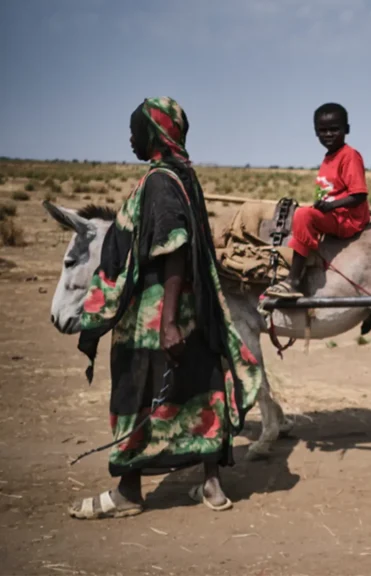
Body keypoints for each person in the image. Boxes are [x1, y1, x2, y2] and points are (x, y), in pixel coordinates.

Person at [68, 97, 263, 520]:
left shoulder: (159, 180)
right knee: (198, 386)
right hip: (191, 310)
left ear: (154, 134)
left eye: (135, 129)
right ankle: (211, 485)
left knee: (135, 392)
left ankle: (128, 492)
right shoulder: (182, 175)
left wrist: (168, 322)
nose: (130, 138)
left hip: (156, 315)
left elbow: (173, 248)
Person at [265, 103, 370, 298]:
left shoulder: (350, 156)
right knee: (300, 213)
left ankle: (294, 280)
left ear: (346, 129)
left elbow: (359, 195)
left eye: (334, 129)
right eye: (323, 130)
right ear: (316, 132)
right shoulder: (328, 157)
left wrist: (330, 206)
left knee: (303, 215)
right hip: (333, 213)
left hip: (348, 218)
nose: (328, 134)